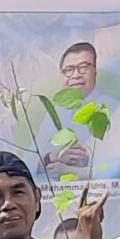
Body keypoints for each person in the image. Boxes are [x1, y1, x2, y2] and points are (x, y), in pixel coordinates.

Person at [41, 42, 100, 175]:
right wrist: (53, 156)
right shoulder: (54, 114)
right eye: (69, 70)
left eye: (84, 67)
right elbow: (30, 162)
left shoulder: (116, 108)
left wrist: (75, 172)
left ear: (95, 71)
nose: (76, 75)